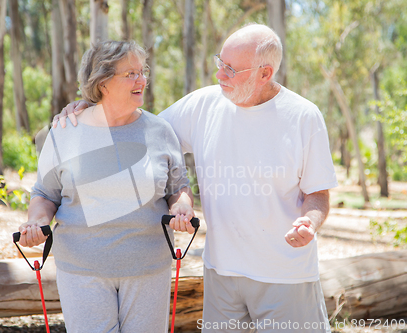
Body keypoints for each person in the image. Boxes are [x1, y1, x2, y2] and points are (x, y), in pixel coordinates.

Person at [55, 23, 338, 333]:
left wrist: (309, 222)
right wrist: (92, 107)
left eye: (231, 69)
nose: (219, 75)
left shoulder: (303, 116)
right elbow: (137, 129)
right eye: (220, 63)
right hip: (221, 275)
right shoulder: (202, 105)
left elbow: (318, 194)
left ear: (264, 74)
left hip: (285, 275)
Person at [18, 40, 195, 333]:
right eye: (131, 74)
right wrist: (36, 221)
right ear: (102, 83)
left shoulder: (159, 131)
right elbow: (45, 194)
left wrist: (183, 207)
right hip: (82, 269)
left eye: (143, 71)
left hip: (149, 267)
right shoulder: (65, 131)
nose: (142, 80)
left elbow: (179, 187)